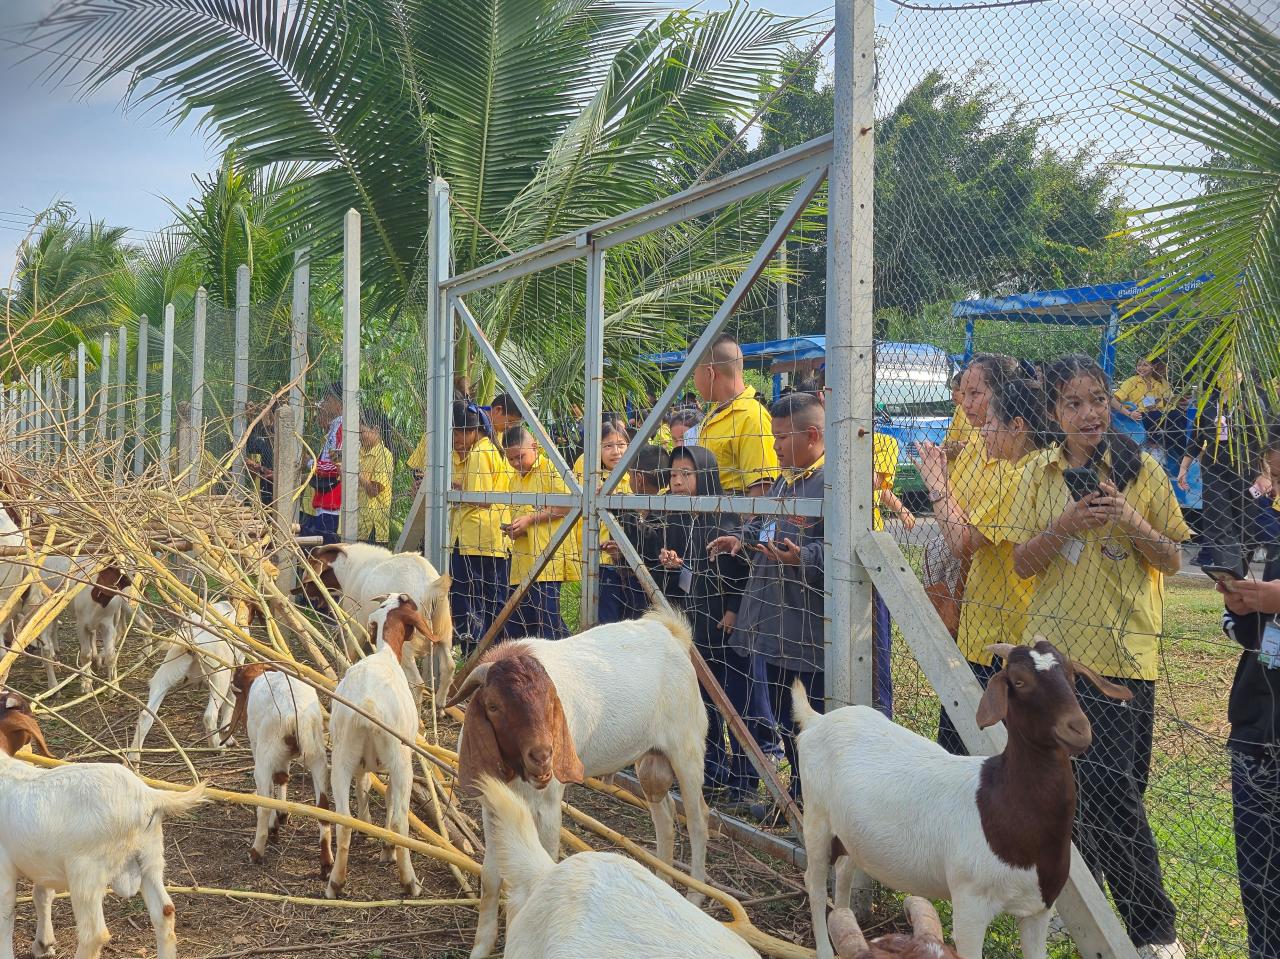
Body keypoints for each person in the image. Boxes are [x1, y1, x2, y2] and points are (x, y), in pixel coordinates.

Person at [1011, 353, 1189, 959]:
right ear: (1053, 412)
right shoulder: (1038, 473)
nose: (1089, 414)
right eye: (1074, 403)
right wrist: (1064, 525)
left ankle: (1152, 932)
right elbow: (1021, 562)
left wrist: (1129, 518)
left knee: (1116, 794)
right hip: (1054, 664)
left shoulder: (1142, 472)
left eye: (1098, 400)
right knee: (1056, 792)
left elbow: (1173, 558)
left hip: (1121, 657)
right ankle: (1074, 904)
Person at [917, 377, 1053, 755]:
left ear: (1018, 426)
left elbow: (961, 538)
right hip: (980, 625)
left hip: (1008, 635)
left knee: (985, 752)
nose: (980, 429)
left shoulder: (1019, 475)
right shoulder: (996, 460)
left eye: (990, 420)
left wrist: (936, 483)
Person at [713, 391, 826, 804]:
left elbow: (845, 552)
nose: (774, 446)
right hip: (776, 627)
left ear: (812, 434)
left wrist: (805, 557)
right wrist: (740, 538)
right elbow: (765, 525)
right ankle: (797, 799)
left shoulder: (831, 482)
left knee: (812, 722)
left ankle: (812, 804)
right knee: (786, 718)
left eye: (781, 437)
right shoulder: (785, 479)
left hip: (810, 633)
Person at [656, 445, 756, 811]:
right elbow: (689, 571)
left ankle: (744, 781)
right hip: (696, 623)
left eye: (687, 473)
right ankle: (711, 772)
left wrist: (732, 610)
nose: (678, 480)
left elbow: (741, 571)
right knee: (701, 703)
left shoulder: (726, 516)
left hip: (725, 627)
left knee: (734, 703)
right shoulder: (679, 515)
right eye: (672, 474)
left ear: (706, 475)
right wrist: (673, 563)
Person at [1219, 419, 1280, 959]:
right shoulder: (1267, 533)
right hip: (1258, 720)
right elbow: (1238, 631)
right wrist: (1240, 606)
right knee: (1258, 870)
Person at [501, 425, 576, 639]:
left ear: (534, 447)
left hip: (547, 559)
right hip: (523, 560)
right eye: (511, 459)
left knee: (548, 621)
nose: (516, 463)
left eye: (520, 456)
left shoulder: (550, 469)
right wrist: (515, 529)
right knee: (522, 623)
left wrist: (530, 519)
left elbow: (567, 505)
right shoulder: (515, 479)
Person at [450, 400, 513, 653]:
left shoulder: (478, 453)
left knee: (469, 599)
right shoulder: (492, 448)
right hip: (491, 538)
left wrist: (455, 491)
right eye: (454, 432)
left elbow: (480, 498)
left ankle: (474, 651)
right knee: (492, 600)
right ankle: (492, 649)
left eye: (461, 432)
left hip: (473, 537)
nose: (456, 438)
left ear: (475, 431)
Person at [1180, 377, 1259, 572]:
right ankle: (1230, 574)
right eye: (1221, 372)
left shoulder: (1253, 401)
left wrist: (1264, 473)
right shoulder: (1208, 403)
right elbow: (1197, 437)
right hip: (1213, 467)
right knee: (1217, 521)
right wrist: (1184, 468)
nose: (1227, 375)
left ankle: (1241, 568)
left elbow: (1263, 439)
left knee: (1245, 526)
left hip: (1245, 468)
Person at [574, 421, 645, 624]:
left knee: (633, 618)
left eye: (621, 444)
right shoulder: (590, 475)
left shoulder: (635, 477)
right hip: (602, 562)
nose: (616, 451)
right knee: (606, 620)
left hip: (634, 561)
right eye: (607, 446)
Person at [691, 334, 779, 496]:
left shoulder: (751, 417)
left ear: (710, 373)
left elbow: (762, 491)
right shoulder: (715, 412)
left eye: (693, 374)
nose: (693, 381)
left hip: (734, 520)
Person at [870, 429, 915, 717]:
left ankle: (881, 708)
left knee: (876, 633)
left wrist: (901, 509)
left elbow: (875, 484)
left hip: (872, 546)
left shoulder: (883, 442)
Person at [299, 383, 344, 544]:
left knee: (326, 550)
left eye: (327, 398)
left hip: (332, 498)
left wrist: (310, 463)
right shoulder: (335, 426)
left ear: (338, 403)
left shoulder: (343, 426)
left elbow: (336, 466)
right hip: (324, 497)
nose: (323, 403)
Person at [1113, 358, 1174, 445]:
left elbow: (1167, 401)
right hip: (1136, 415)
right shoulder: (1132, 381)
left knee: (1175, 415)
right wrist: (1129, 413)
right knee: (1159, 417)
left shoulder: (1157, 383)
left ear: (1153, 367)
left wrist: (1157, 403)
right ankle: (1154, 447)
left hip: (1154, 413)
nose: (1141, 368)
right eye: (1139, 365)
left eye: (1145, 365)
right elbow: (1113, 399)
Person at [356, 414, 394, 546]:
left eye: (361, 432)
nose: (359, 437)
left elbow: (373, 490)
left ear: (376, 429)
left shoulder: (385, 456)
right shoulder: (358, 453)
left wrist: (354, 471)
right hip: (356, 523)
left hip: (373, 528)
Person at [244, 401, 276, 505]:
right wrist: (249, 419)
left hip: (277, 487)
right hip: (264, 486)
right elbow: (250, 443)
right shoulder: (262, 440)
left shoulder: (281, 440)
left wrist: (259, 468)